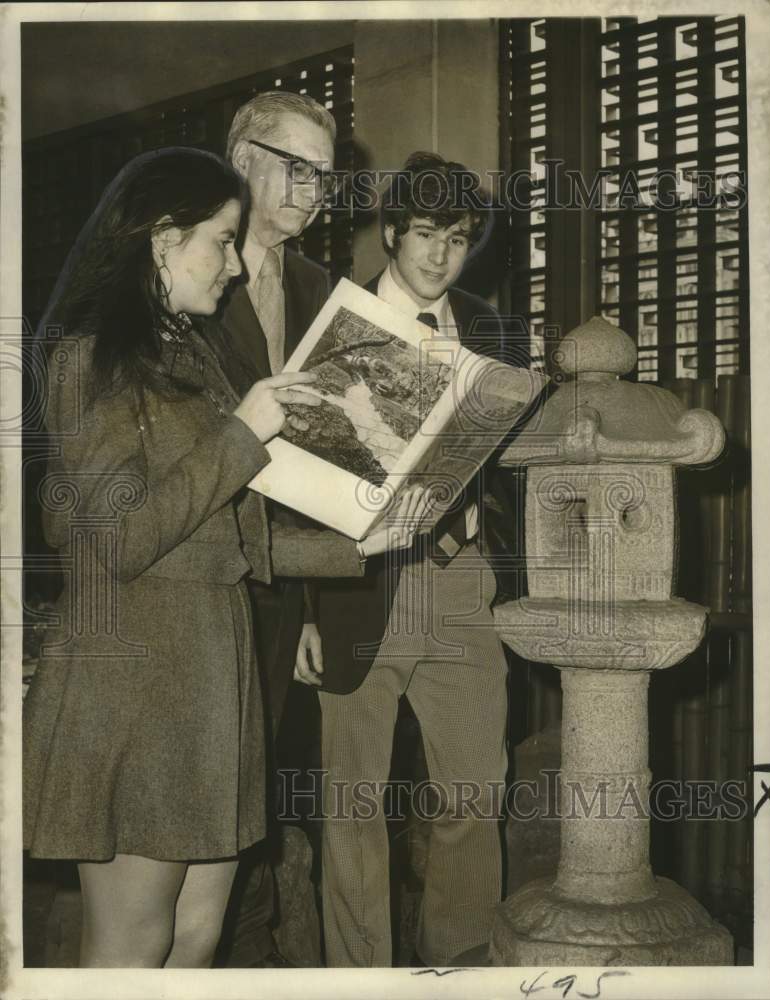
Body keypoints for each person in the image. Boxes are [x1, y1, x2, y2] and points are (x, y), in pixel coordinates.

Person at [22, 146, 430, 968]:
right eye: (224, 238)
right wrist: (245, 431)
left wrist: (366, 539)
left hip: (212, 666)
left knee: (200, 935)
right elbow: (126, 537)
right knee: (133, 944)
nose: (239, 264)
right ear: (163, 240)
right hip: (135, 677)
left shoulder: (193, 352)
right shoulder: (88, 355)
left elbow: (225, 533)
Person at [315, 152, 512, 967]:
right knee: (354, 804)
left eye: (458, 238)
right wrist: (307, 610)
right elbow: (300, 476)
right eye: (425, 233)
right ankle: (359, 982)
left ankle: (459, 969)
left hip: (462, 575)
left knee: (474, 792)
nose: (440, 255)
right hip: (360, 581)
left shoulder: (486, 324)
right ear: (392, 230)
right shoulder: (338, 321)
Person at [207, 90, 340, 967]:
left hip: (285, 583)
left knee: (259, 798)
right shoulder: (177, 277)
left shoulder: (325, 293)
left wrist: (313, 602)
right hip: (196, 575)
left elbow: (326, 464)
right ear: (242, 157)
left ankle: (243, 960)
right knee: (200, 798)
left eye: (324, 178)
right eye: (295, 167)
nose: (312, 191)